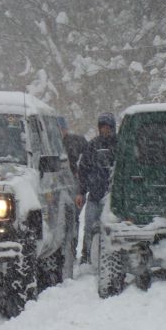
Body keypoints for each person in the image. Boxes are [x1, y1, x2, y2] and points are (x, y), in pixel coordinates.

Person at [76, 112, 117, 264]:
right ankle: (87, 258)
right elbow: (83, 170)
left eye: (108, 127)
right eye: (102, 127)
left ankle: (110, 258)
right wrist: (81, 192)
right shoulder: (92, 145)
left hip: (113, 197)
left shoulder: (120, 145)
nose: (105, 130)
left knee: (110, 230)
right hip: (94, 196)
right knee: (89, 229)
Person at [57, 116, 87, 181]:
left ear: (66, 129)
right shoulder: (55, 143)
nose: (61, 132)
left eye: (62, 129)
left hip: (77, 175)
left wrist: (77, 172)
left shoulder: (76, 140)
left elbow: (76, 158)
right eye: (59, 129)